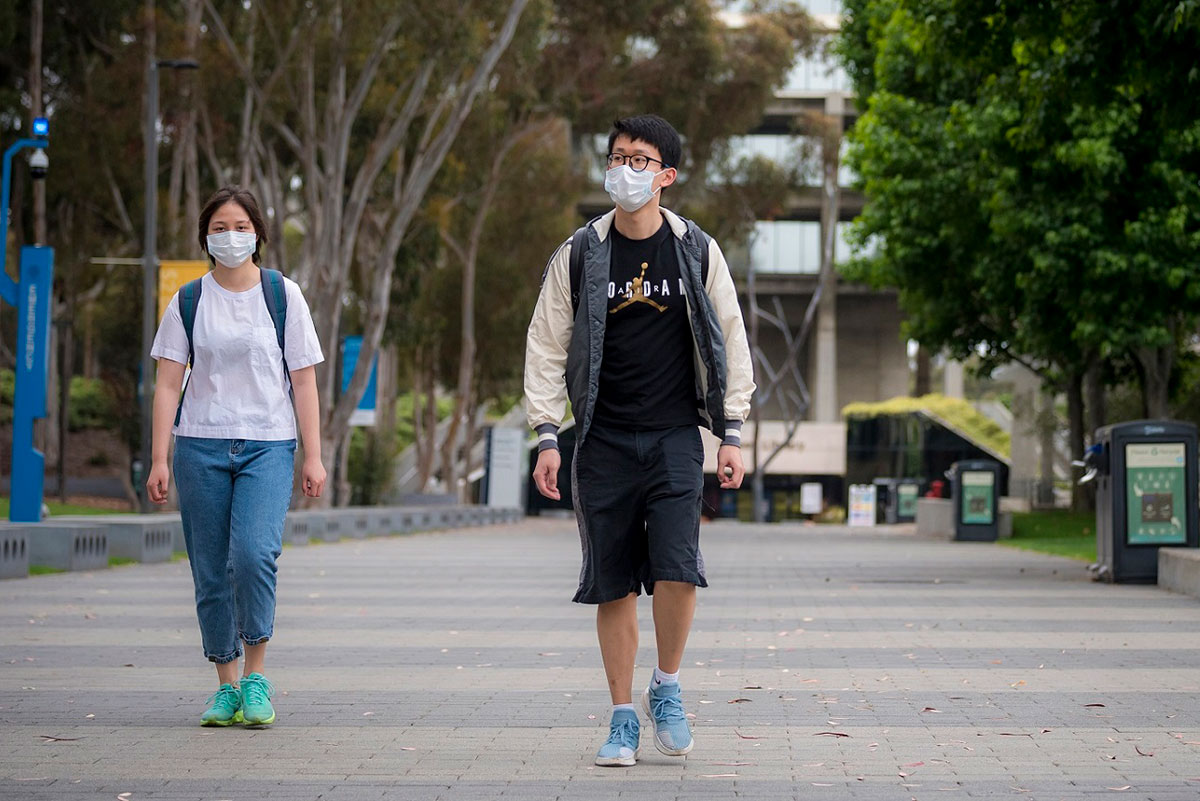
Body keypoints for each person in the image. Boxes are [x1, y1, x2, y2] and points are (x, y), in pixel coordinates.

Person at [524, 115, 755, 766]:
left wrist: (732, 432)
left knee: (678, 566)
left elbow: (731, 338)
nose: (625, 168)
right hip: (600, 439)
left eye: (640, 159)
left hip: (677, 434)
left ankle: (668, 685)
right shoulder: (580, 253)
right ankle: (622, 715)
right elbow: (546, 346)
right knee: (613, 581)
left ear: (666, 176)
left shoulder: (696, 250)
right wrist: (547, 433)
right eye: (617, 156)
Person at [146, 186, 327, 727]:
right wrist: (159, 459)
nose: (230, 236)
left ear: (258, 233)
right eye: (220, 227)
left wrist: (313, 457)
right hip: (198, 444)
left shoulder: (282, 294)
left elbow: (305, 380)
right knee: (209, 570)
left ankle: (256, 675)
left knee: (252, 556)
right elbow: (166, 385)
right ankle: (225, 685)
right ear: (206, 236)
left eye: (240, 226)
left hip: (268, 444)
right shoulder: (188, 299)